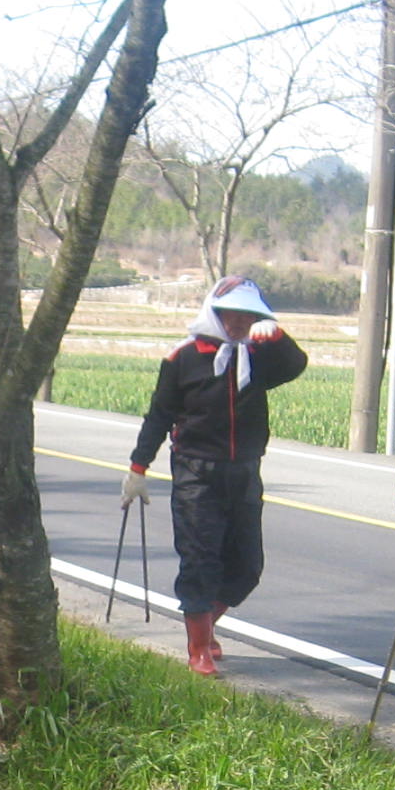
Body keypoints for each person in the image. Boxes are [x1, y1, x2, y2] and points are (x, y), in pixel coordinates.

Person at [119, 275, 307, 676]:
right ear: (214, 313)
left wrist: (279, 338)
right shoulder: (183, 358)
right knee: (200, 559)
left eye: (248, 316)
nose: (238, 323)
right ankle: (198, 648)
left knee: (246, 566)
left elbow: (296, 366)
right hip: (195, 472)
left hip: (244, 472)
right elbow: (159, 415)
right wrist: (139, 467)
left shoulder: (257, 357)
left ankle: (205, 625)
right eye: (230, 315)